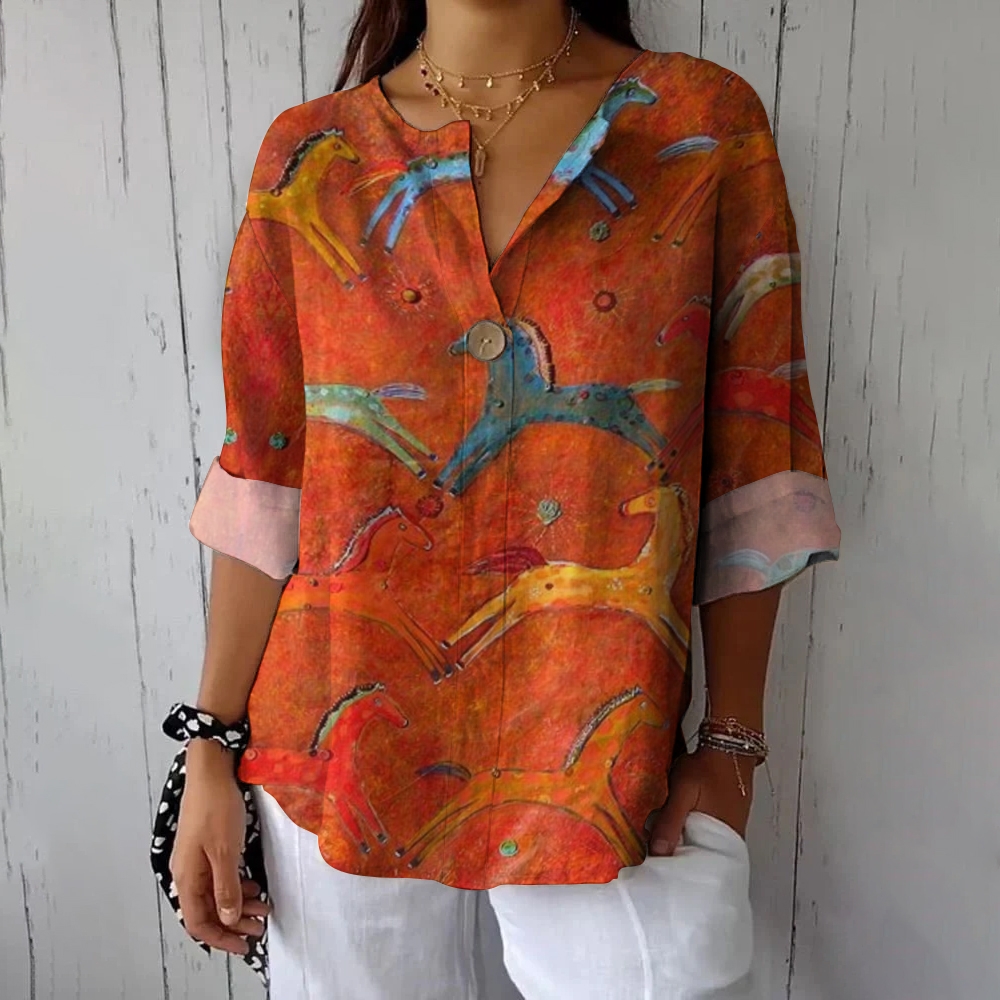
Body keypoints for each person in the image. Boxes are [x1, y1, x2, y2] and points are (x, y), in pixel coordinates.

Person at [157, 2, 841, 997]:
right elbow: (266, 472)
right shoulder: (313, 157)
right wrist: (211, 752)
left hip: (613, 759)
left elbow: (755, 456)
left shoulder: (698, 125)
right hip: (337, 756)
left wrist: (731, 743)